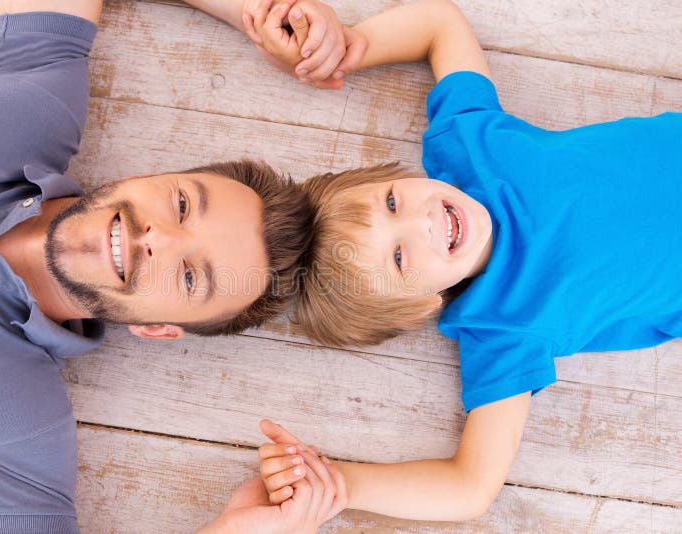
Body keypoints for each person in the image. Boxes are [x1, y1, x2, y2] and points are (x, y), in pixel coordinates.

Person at [0, 0, 356, 531]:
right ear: (154, 175)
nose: (159, 238)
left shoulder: (17, 430)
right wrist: (252, 10)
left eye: (190, 275)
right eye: (181, 205)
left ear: (155, 329)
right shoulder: (30, 107)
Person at [245, 0, 681, 524]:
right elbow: (469, 488)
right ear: (419, 305)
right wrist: (343, 483)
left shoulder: (467, 149)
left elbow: (439, 23)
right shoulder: (501, 328)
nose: (422, 220)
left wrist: (352, 44)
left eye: (391, 202)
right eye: (402, 257)